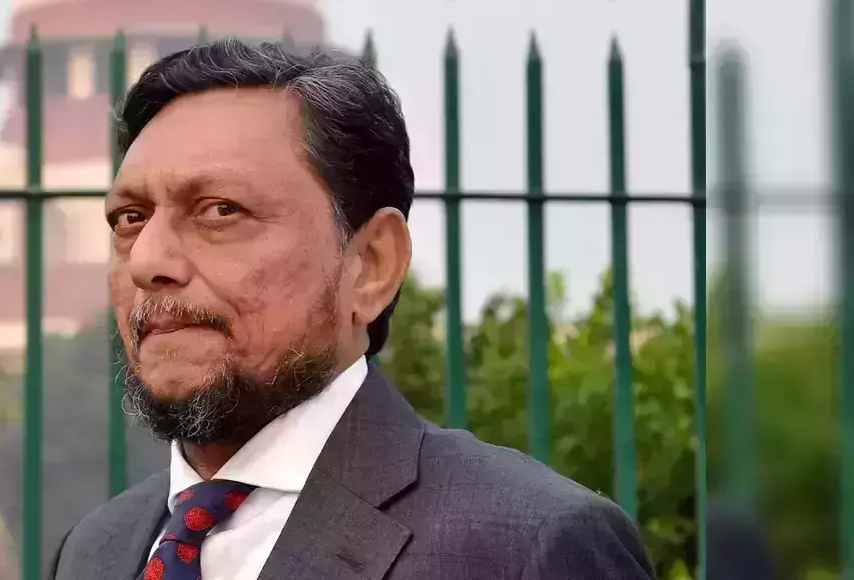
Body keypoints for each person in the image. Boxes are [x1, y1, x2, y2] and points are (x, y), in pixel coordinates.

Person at [49, 38, 655, 580]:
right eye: (130, 218)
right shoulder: (96, 551)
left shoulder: (526, 546)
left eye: (221, 210)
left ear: (371, 265)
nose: (147, 260)